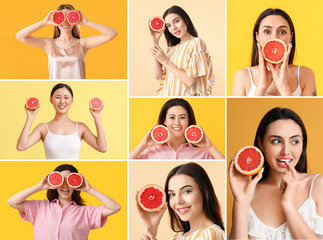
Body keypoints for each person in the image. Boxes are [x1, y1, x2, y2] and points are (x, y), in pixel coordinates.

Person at [229, 107, 323, 239]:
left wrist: (288, 205)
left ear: (303, 143)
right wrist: (241, 202)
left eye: (294, 141)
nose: (286, 151)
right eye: (276, 141)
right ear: (261, 143)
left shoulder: (318, 186)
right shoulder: (249, 192)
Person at [7, 164, 121, 240]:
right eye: (61, 180)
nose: (65, 185)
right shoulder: (39, 207)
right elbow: (12, 202)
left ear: (76, 184)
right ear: (54, 184)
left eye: (70, 180)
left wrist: (90, 189)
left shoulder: (86, 212)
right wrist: (40, 186)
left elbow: (115, 208)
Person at [15, 4, 118, 79]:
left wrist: (86, 22)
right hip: (56, 92)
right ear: (56, 21)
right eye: (61, 18)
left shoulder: (82, 44)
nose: (65, 22)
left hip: (79, 91)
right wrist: (44, 22)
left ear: (75, 21)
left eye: (70, 17)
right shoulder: (49, 44)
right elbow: (20, 36)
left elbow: (112, 34)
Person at [231, 8, 316, 96]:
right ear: (257, 37)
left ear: (291, 37)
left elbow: (298, 110)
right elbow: (247, 110)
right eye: (267, 31)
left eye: (282, 32)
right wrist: (262, 86)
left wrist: (283, 87)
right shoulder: (242, 76)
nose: (274, 37)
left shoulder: (305, 74)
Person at [136, 162, 225, 240]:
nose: (178, 201)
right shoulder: (177, 237)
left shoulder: (211, 233)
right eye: (172, 194)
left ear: (205, 191)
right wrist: (151, 228)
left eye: (186, 191)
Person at [17, 83, 107, 159]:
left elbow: (102, 148)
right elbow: (21, 146)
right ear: (51, 100)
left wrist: (97, 118)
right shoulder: (43, 128)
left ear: (72, 101)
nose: (62, 101)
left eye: (66, 97)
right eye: (58, 97)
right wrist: (30, 118)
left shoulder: (80, 127)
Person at [150, 5, 215, 96]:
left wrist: (165, 61)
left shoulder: (196, 43)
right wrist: (154, 41)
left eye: (176, 21)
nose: (173, 28)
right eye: (168, 25)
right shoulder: (171, 50)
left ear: (186, 20)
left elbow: (190, 81)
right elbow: (157, 75)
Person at [129, 98, 224, 159]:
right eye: (172, 117)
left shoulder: (203, 154)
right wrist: (143, 145)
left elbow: (226, 170)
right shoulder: (149, 152)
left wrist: (210, 147)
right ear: (164, 121)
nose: (177, 123)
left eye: (182, 117)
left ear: (189, 121)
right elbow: (126, 164)